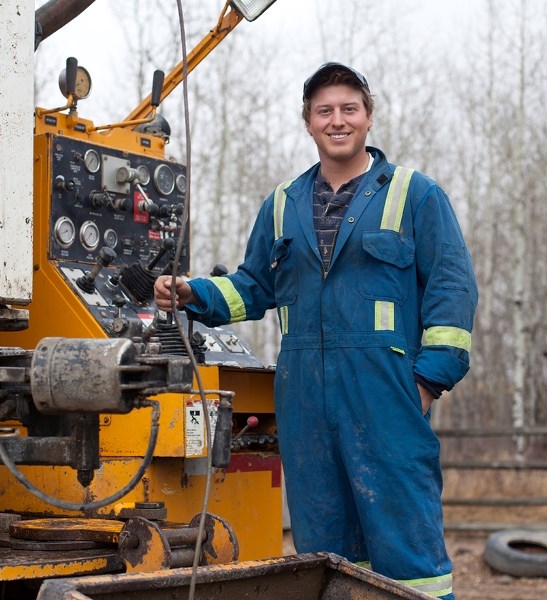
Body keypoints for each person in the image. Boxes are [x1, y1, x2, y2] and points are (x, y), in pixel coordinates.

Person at [154, 62, 478, 599]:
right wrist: (196, 293)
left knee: (407, 548)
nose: (337, 120)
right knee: (325, 549)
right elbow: (254, 285)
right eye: (324, 110)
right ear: (308, 122)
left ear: (368, 119)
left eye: (349, 109)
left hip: (386, 393)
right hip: (304, 398)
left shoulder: (415, 195)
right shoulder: (282, 205)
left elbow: (453, 291)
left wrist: (425, 384)